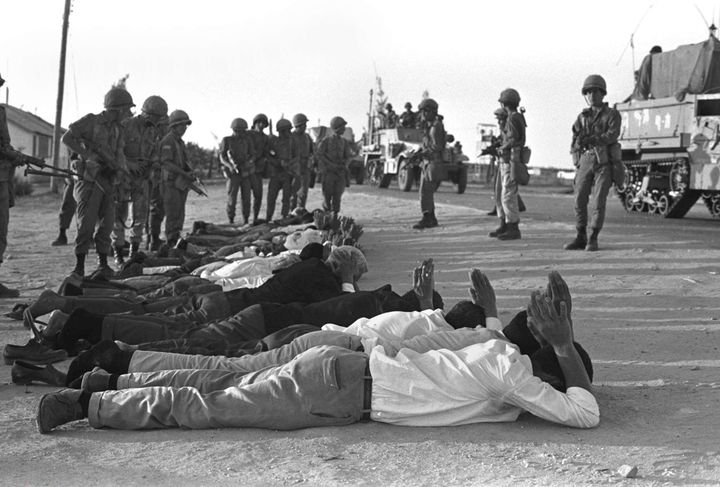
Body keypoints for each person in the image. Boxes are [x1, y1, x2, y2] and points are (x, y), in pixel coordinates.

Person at [36, 268, 598, 432]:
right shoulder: (512, 375)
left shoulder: (491, 350)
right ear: (547, 367)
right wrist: (564, 350)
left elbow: (498, 335)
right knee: (213, 401)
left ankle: (110, 383)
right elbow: (582, 413)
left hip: (345, 364)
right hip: (344, 387)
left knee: (216, 379)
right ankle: (92, 404)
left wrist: (544, 337)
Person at [61, 87, 134, 277]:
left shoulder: (119, 129)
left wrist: (121, 174)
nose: (128, 113)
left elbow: (119, 155)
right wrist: (88, 155)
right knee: (86, 225)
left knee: (107, 225)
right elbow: (67, 138)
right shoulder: (91, 121)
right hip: (89, 181)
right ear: (116, 109)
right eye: (126, 109)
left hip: (109, 181)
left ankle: (103, 264)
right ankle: (79, 267)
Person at [564, 75, 621, 252]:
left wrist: (594, 139)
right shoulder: (582, 117)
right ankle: (580, 236)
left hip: (603, 161)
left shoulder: (612, 114)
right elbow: (574, 138)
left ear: (602, 93)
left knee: (598, 202)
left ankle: (593, 237)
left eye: (595, 91)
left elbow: (613, 134)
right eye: (588, 92)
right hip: (586, 160)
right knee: (579, 198)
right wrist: (576, 153)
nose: (591, 95)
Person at [111, 95, 168, 264]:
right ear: (147, 114)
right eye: (156, 118)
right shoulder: (126, 126)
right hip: (122, 176)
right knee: (119, 216)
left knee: (140, 215)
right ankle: (118, 253)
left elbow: (155, 154)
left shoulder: (154, 131)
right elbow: (115, 150)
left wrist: (151, 169)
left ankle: (134, 251)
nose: (157, 122)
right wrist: (128, 164)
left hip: (142, 179)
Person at [489, 88, 525, 241]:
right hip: (508, 160)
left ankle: (513, 227)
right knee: (502, 193)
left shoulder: (512, 118)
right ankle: (504, 224)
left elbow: (513, 139)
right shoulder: (516, 117)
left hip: (510, 160)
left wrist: (500, 147)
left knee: (508, 195)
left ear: (504, 103)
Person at [160, 109, 194, 247]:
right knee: (173, 214)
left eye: (186, 125)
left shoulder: (180, 142)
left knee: (180, 214)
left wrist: (190, 173)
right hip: (171, 183)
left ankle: (175, 240)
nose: (184, 128)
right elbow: (166, 162)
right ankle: (170, 243)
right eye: (182, 125)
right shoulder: (168, 141)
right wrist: (184, 174)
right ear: (174, 126)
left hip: (180, 184)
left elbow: (184, 162)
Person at [0, 73, 20, 297]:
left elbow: (4, 143)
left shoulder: (0, 112)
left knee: (1, 230)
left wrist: (14, 155)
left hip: (2, 177)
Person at [412, 98, 446, 229]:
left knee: (426, 191)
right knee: (424, 191)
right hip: (428, 162)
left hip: (433, 162)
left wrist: (423, 153)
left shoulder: (436, 127)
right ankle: (430, 216)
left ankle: (428, 218)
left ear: (431, 112)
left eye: (425, 112)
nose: (423, 115)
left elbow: (437, 146)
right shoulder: (431, 126)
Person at [219, 118, 255, 225]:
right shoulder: (227, 140)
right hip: (233, 173)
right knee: (232, 197)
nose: (240, 133)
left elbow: (253, 154)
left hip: (245, 172)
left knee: (247, 197)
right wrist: (229, 165)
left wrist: (249, 162)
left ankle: (246, 219)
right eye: (238, 130)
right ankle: (231, 219)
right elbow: (222, 156)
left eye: (242, 131)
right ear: (234, 130)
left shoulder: (247, 140)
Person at [316, 116, 352, 214]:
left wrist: (345, 164)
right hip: (329, 173)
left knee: (337, 196)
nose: (344, 129)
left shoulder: (344, 142)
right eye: (342, 127)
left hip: (340, 173)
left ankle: (335, 217)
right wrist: (330, 164)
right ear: (336, 127)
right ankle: (327, 215)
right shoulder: (326, 141)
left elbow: (348, 156)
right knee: (327, 196)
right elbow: (319, 154)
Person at [266, 118, 296, 221]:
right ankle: (268, 217)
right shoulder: (273, 142)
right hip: (275, 174)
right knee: (271, 197)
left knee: (286, 197)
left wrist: (289, 163)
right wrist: (277, 162)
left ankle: (284, 216)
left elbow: (297, 156)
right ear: (281, 131)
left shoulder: (292, 142)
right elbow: (268, 155)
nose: (289, 132)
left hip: (287, 173)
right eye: (287, 130)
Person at [147, 115, 169, 251]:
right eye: (165, 125)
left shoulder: (160, 139)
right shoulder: (154, 140)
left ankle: (152, 238)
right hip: (154, 178)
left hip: (158, 177)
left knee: (155, 209)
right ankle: (153, 240)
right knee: (156, 209)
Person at [247, 114, 271, 224]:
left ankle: (255, 218)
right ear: (256, 123)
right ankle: (245, 219)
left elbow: (266, 151)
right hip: (246, 168)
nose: (262, 125)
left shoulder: (265, 137)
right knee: (246, 196)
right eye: (260, 123)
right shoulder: (248, 134)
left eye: (264, 124)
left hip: (258, 170)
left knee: (258, 195)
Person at [289, 113, 314, 210]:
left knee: (304, 192)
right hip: (294, 168)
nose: (305, 126)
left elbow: (312, 151)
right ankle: (292, 211)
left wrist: (311, 160)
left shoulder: (307, 137)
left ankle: (301, 210)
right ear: (297, 125)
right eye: (303, 124)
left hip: (305, 167)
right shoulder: (291, 137)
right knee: (294, 192)